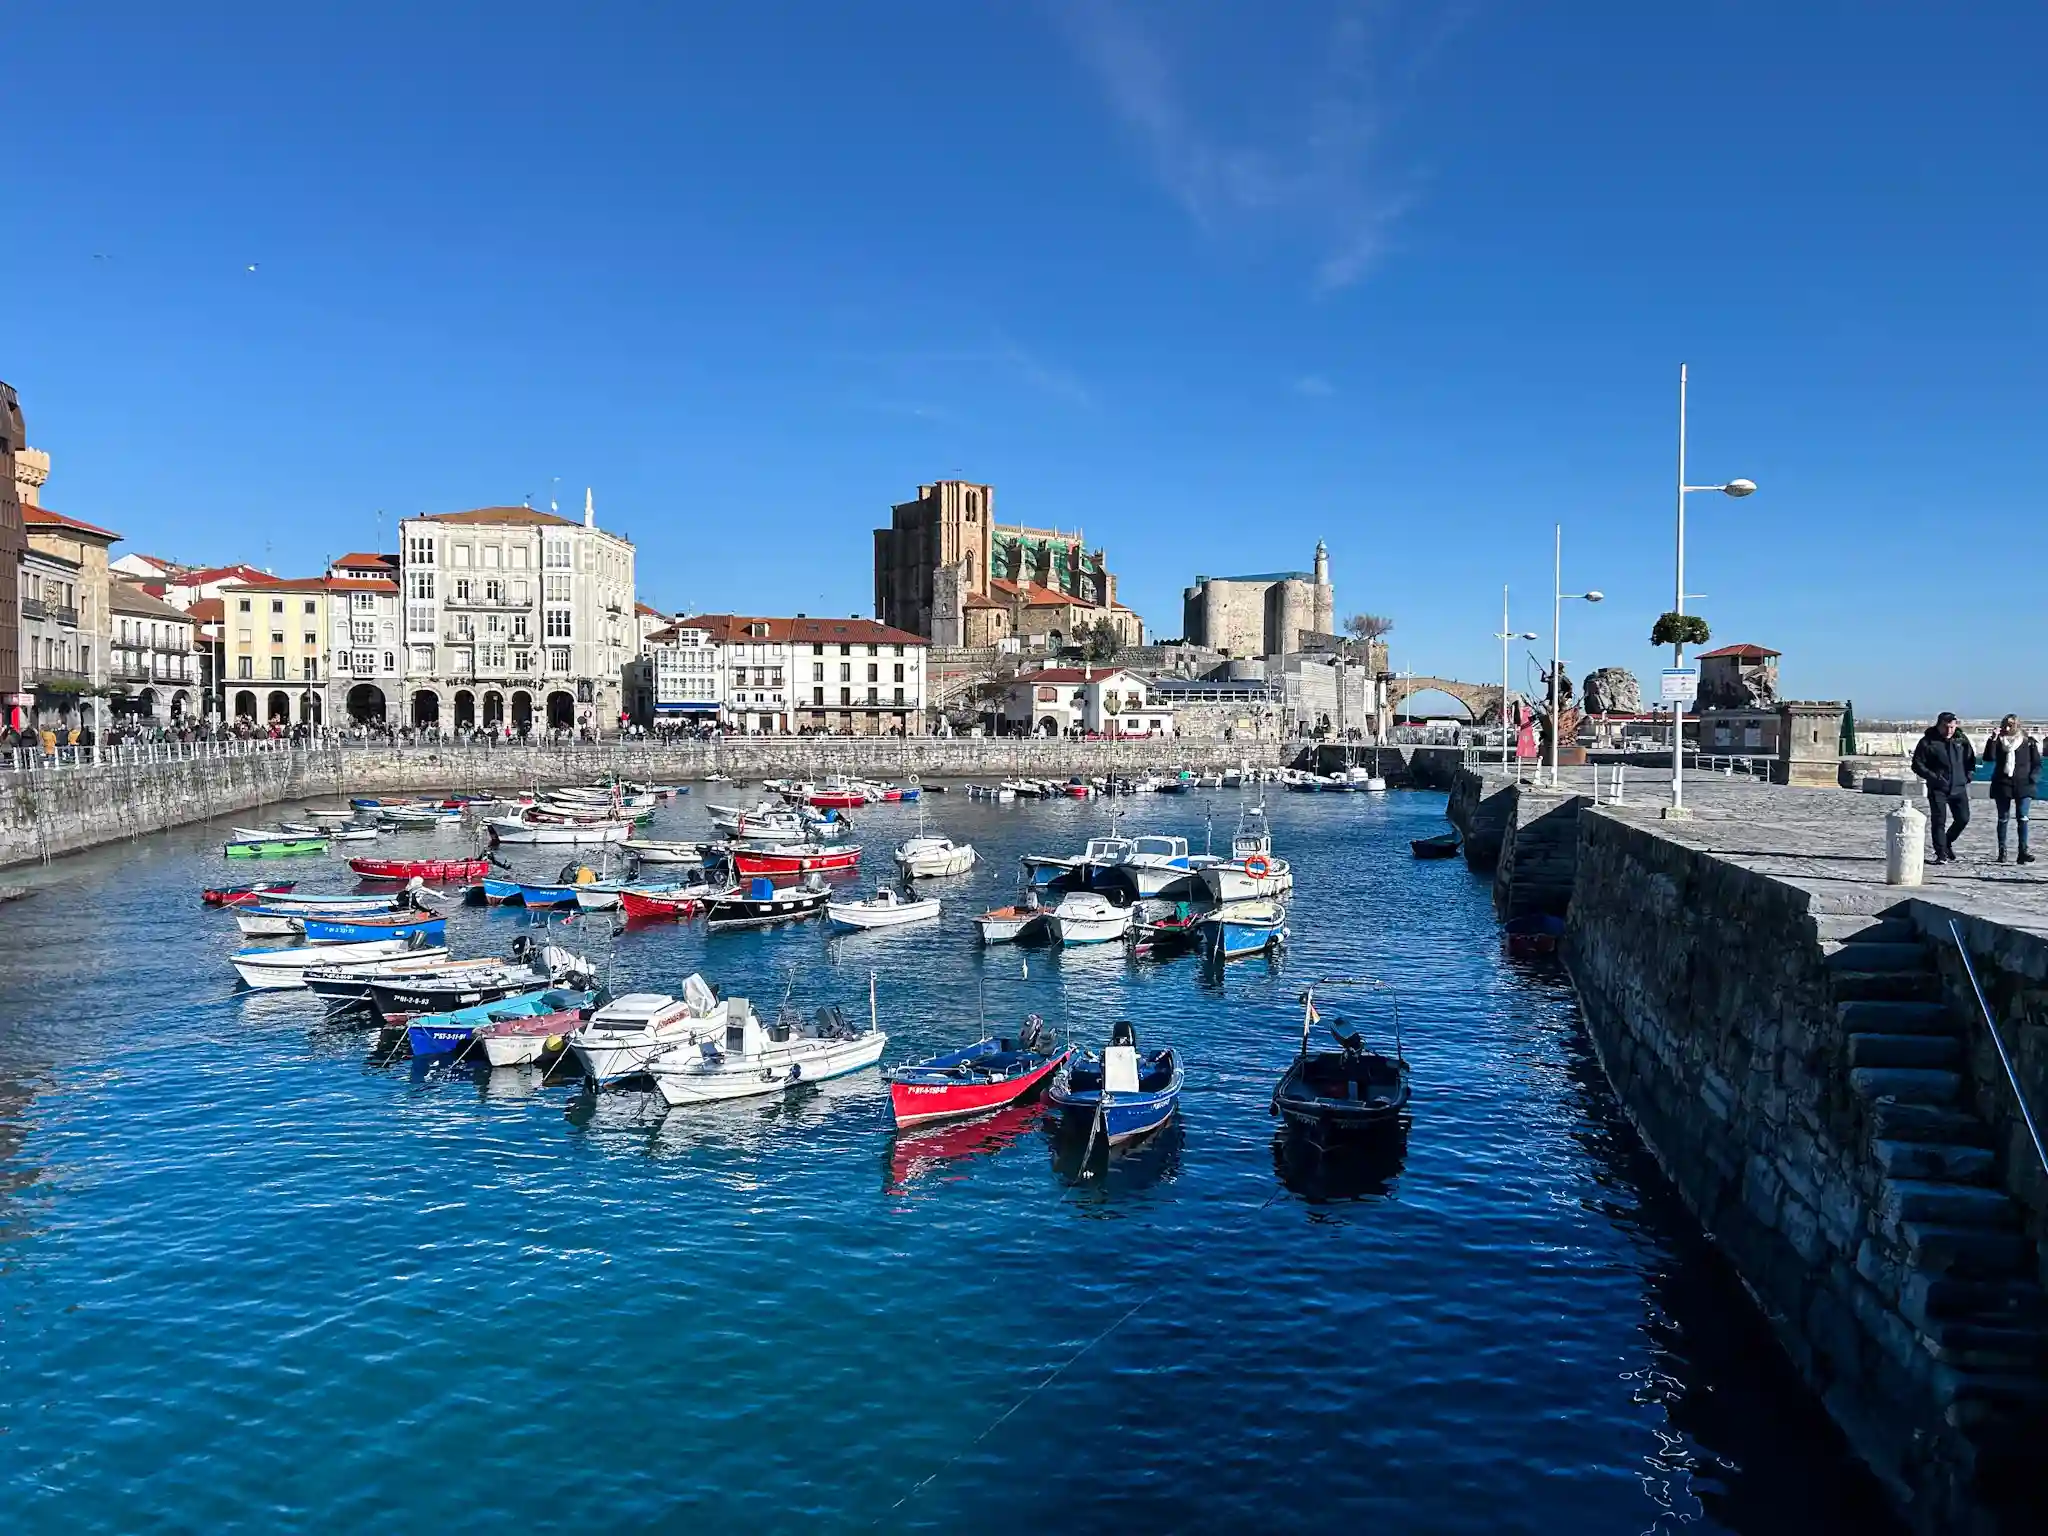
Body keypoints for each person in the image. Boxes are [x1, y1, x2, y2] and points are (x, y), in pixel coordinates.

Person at [1912, 711, 1977, 863]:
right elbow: (1917, 764)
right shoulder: (1928, 742)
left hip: (1959, 787)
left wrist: (1968, 775)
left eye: (1952, 727)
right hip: (1938, 788)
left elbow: (1970, 760)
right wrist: (1934, 777)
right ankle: (1941, 853)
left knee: (1963, 818)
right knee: (1939, 820)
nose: (1949, 731)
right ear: (1939, 725)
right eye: (1946, 727)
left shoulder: (1961, 740)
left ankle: (1947, 841)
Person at [1981, 714, 2039, 865]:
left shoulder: (2028, 742)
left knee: (2023, 817)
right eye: (2005, 725)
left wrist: (2032, 777)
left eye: (2010, 726)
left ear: (2016, 726)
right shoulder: (1999, 742)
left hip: (2023, 784)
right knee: (2003, 818)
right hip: (2003, 783)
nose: (2007, 729)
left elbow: (2036, 763)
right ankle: (2002, 851)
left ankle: (2023, 851)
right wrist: (1992, 739)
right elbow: (1988, 758)